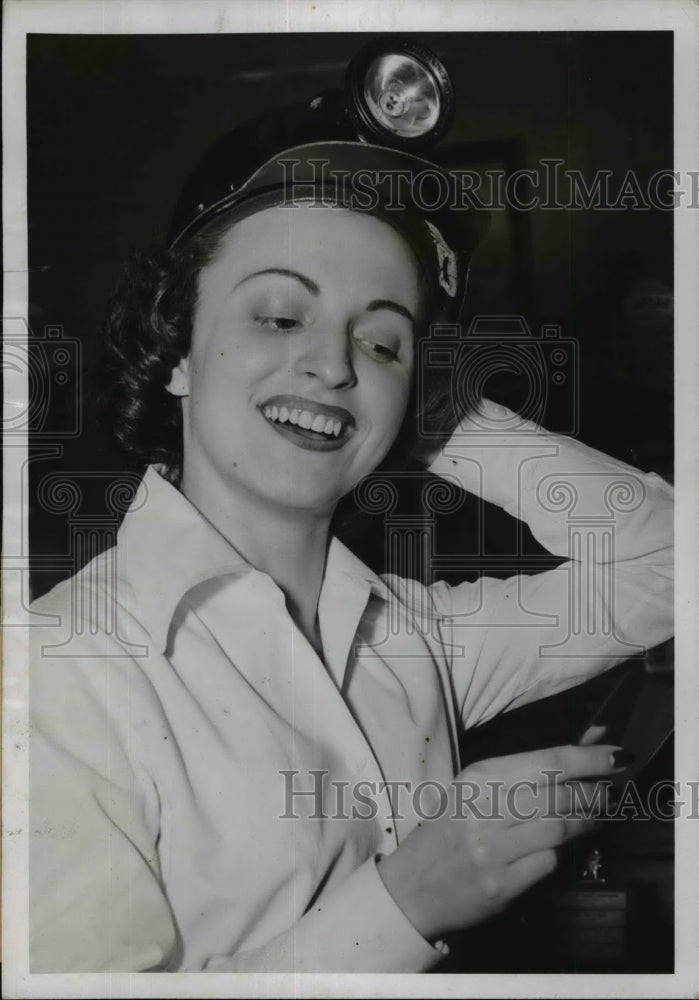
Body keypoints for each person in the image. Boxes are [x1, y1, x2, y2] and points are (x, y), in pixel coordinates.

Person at [29, 38, 674, 973]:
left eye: (380, 340)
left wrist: (431, 412)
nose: (332, 364)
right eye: (280, 317)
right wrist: (407, 901)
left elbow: (671, 565)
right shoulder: (59, 673)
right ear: (175, 348)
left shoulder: (414, 638)